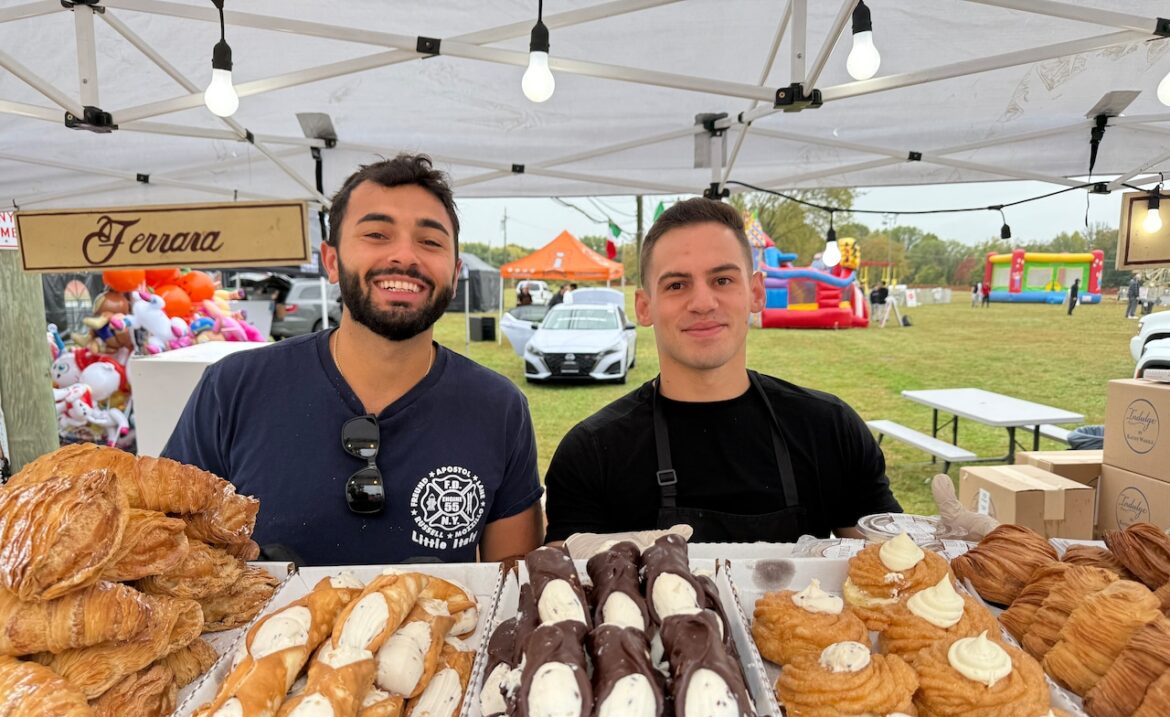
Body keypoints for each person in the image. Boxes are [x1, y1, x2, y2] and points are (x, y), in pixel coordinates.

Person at [163, 154, 544, 565]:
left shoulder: (498, 408)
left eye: (430, 241)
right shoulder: (232, 389)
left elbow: (513, 592)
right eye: (377, 234)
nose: (404, 256)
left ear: (454, 274)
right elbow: (166, 553)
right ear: (331, 261)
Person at [543, 198, 902, 544]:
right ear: (644, 307)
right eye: (677, 285)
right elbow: (559, 590)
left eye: (723, 280)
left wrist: (944, 549)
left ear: (756, 293)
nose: (702, 303)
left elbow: (895, 571)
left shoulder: (830, 430)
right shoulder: (592, 453)